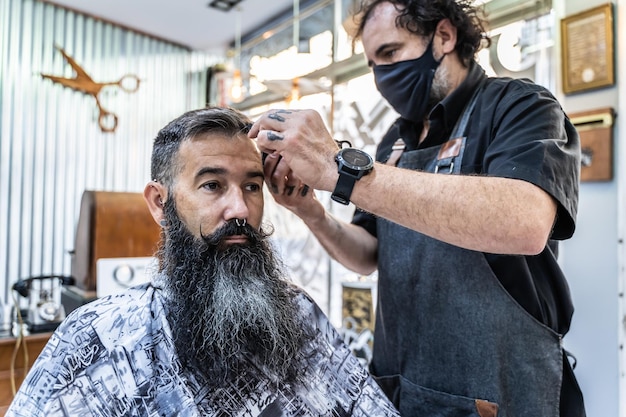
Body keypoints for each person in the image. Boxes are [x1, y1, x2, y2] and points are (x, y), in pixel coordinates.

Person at [249, 1, 585, 416]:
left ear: (444, 36)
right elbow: (368, 253)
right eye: (374, 64)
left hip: (501, 389)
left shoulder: (519, 106)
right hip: (405, 387)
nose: (382, 77)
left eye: (390, 53)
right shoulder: (394, 140)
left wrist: (340, 170)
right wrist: (311, 212)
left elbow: (525, 222)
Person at [6, 107, 401, 417]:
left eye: (251, 186)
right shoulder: (99, 338)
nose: (240, 209)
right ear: (161, 203)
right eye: (212, 185)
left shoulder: (299, 315)